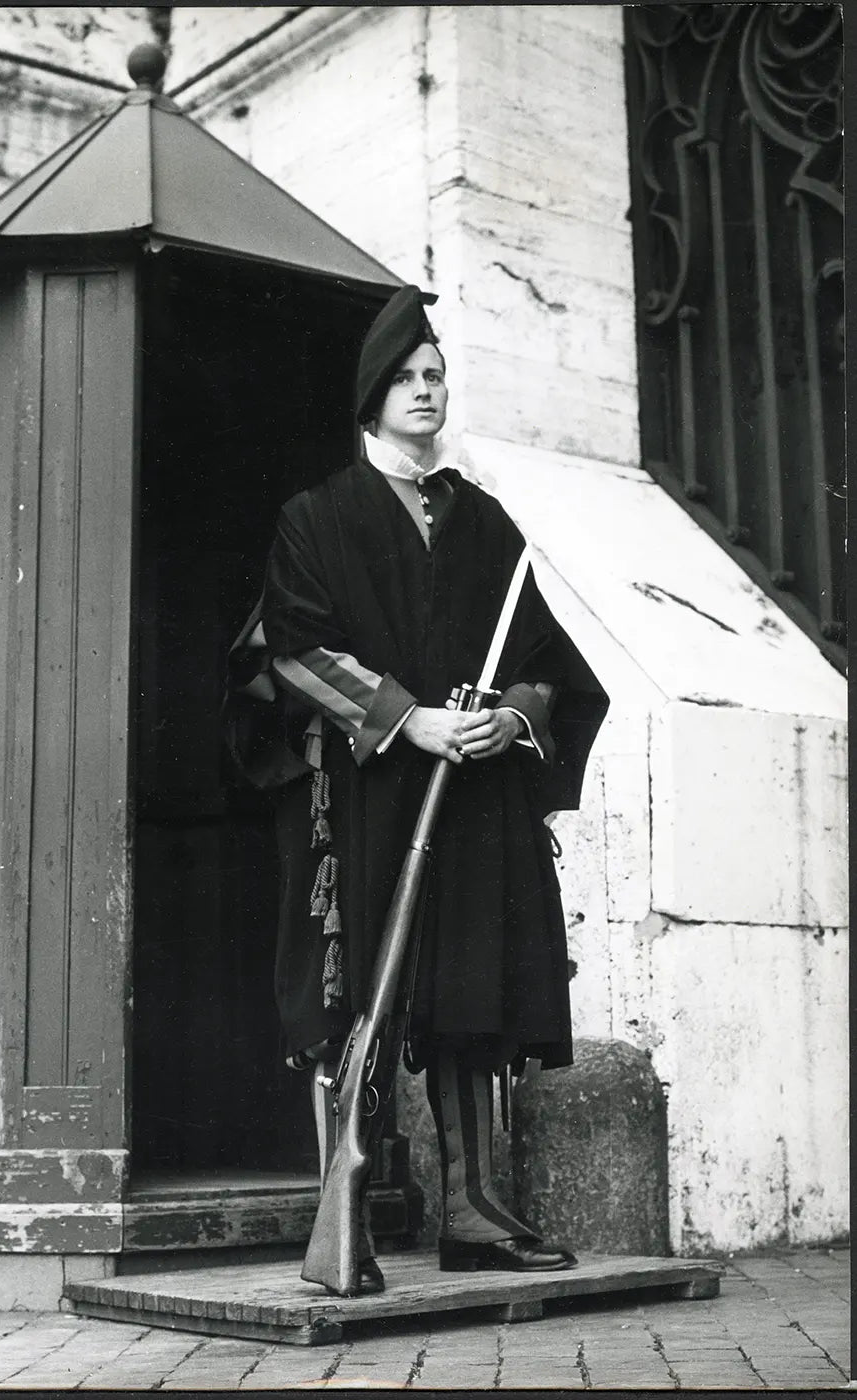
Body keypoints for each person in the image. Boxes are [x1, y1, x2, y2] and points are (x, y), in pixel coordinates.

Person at [226, 285, 606, 1295]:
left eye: (436, 376)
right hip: (363, 795)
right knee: (352, 1001)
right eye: (408, 378)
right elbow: (291, 649)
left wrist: (508, 716)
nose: (427, 390)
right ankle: (337, 1218)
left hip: (474, 796)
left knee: (474, 991)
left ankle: (475, 1213)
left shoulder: (487, 523)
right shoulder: (314, 518)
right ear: (372, 397)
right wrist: (408, 715)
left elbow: (548, 656)